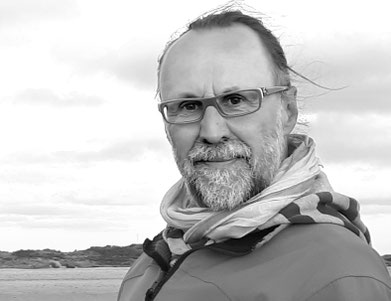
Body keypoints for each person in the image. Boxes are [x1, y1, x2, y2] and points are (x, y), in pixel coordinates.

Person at [118, 6, 391, 301]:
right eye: (188, 106)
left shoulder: (336, 275)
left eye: (236, 100)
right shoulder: (151, 262)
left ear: (287, 110)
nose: (211, 131)